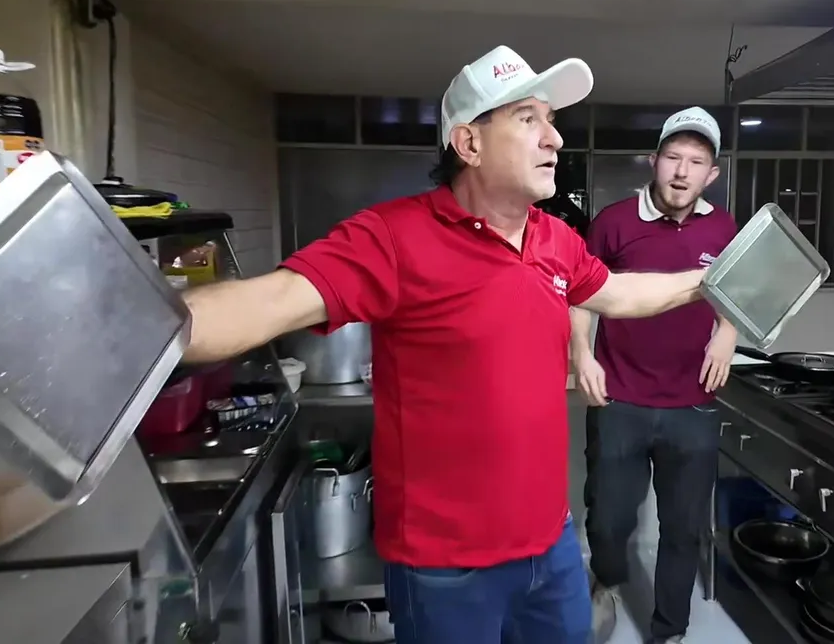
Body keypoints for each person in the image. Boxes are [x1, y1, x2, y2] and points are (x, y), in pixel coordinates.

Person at [178, 46, 716, 644]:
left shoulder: (556, 239)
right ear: (469, 143)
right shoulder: (392, 237)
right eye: (528, 119)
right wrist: (131, 328)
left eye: (551, 120)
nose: (554, 139)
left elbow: (619, 292)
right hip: (445, 565)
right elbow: (270, 302)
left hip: (552, 545)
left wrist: (715, 281)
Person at [570, 107, 739, 644]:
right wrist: (582, 355)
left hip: (694, 400)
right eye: (673, 158)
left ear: (711, 173)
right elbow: (581, 295)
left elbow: (743, 291)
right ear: (653, 161)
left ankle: (670, 629)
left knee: (683, 526)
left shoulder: (724, 227)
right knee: (608, 519)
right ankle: (607, 581)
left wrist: (728, 332)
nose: (682, 172)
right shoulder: (613, 222)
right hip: (619, 397)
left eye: (696, 162)